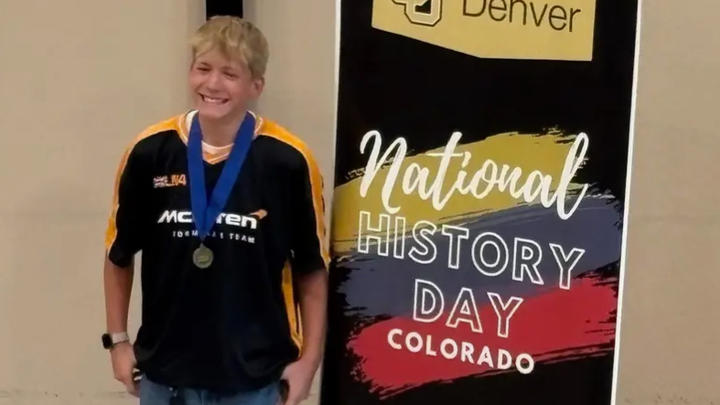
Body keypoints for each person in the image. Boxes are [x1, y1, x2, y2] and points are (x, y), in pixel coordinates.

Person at [101, 16, 329, 405]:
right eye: (203, 68)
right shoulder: (149, 152)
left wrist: (309, 361)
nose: (212, 84)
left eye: (230, 74)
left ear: (256, 85)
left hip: (255, 379)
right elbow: (118, 254)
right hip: (165, 377)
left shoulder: (288, 161)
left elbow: (312, 268)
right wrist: (118, 342)